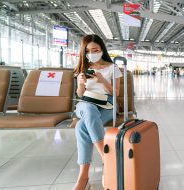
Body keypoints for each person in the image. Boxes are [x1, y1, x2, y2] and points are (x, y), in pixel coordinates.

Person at [73, 34, 122, 190]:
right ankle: (106, 158)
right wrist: (81, 84)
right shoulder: (83, 69)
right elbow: (80, 95)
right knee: (88, 107)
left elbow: (116, 93)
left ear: (102, 49)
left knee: (81, 127)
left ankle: (83, 177)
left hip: (107, 104)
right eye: (88, 51)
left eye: (95, 50)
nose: (92, 53)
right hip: (86, 103)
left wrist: (102, 80)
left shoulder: (112, 67)